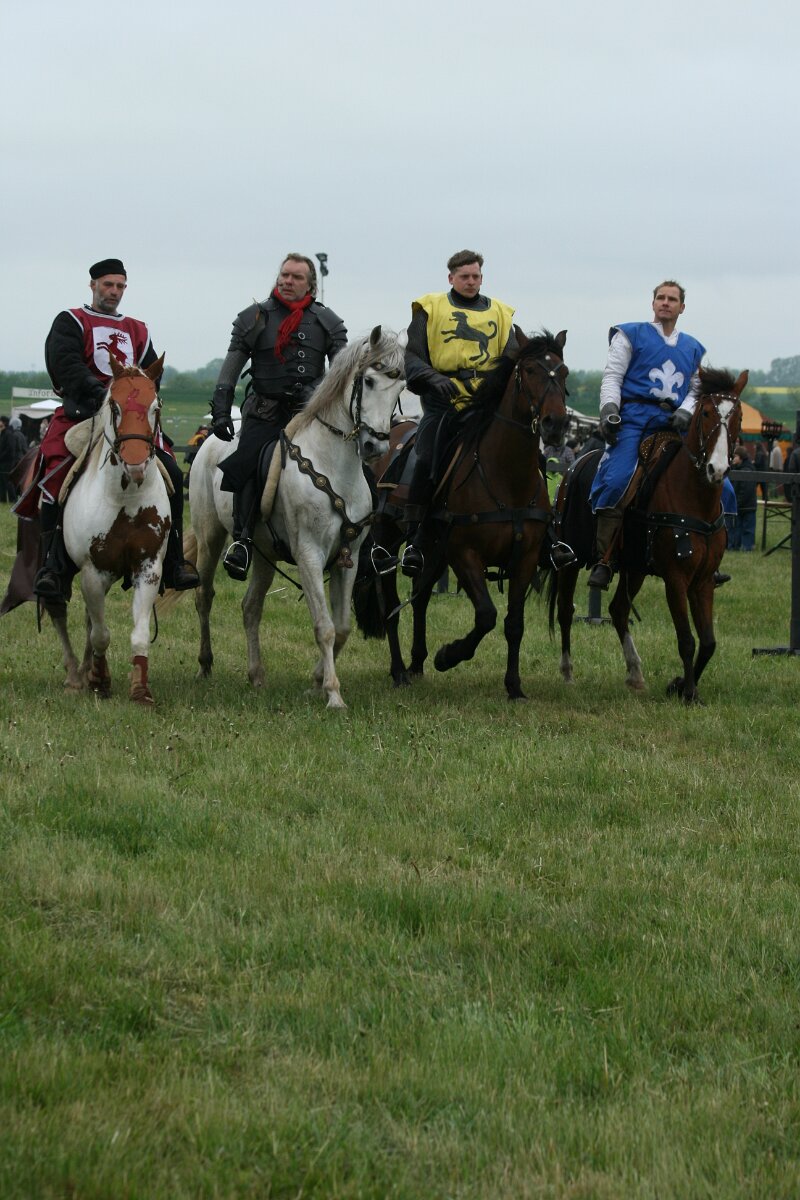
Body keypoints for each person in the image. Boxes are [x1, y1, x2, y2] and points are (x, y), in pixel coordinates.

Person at [31, 258, 199, 603]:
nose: (114, 291)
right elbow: (67, 366)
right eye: (108, 284)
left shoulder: (138, 329)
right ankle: (53, 565)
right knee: (56, 470)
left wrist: (133, 403)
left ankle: (174, 561)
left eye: (120, 286)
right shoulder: (71, 321)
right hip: (85, 415)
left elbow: (150, 376)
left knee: (169, 469)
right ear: (92, 285)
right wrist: (104, 396)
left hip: (129, 422)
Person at [210, 253, 347, 580]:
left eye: (296, 277)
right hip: (265, 412)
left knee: (354, 463)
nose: (287, 281)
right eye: (284, 275)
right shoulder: (254, 318)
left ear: (310, 284)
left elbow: (341, 374)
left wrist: (317, 390)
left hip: (311, 415)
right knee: (247, 461)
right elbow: (230, 368)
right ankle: (242, 540)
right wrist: (221, 407)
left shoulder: (328, 322)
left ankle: (363, 542)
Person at [400, 249, 516, 576]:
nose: (471, 281)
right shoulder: (430, 308)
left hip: (488, 407)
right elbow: (412, 356)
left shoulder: (502, 313)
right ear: (451, 278)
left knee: (528, 453)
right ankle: (417, 537)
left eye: (476, 276)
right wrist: (433, 377)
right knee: (426, 457)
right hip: (444, 402)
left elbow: (512, 359)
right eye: (464, 276)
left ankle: (543, 534)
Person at [587, 280, 706, 589]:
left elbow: (697, 389)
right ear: (653, 303)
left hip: (673, 424)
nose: (666, 302)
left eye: (672, 299)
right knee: (616, 481)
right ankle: (604, 559)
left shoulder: (693, 347)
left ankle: (708, 560)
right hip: (634, 420)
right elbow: (613, 376)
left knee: (717, 483)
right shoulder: (630, 334)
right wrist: (609, 409)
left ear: (682, 307)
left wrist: (686, 411)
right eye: (660, 298)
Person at [729, 445, 757, 550]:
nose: (733, 458)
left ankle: (747, 547)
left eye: (735, 456)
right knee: (738, 527)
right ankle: (737, 546)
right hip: (741, 505)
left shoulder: (747, 470)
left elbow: (746, 491)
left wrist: (737, 503)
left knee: (748, 529)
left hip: (747, 505)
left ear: (741, 457)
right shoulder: (737, 468)